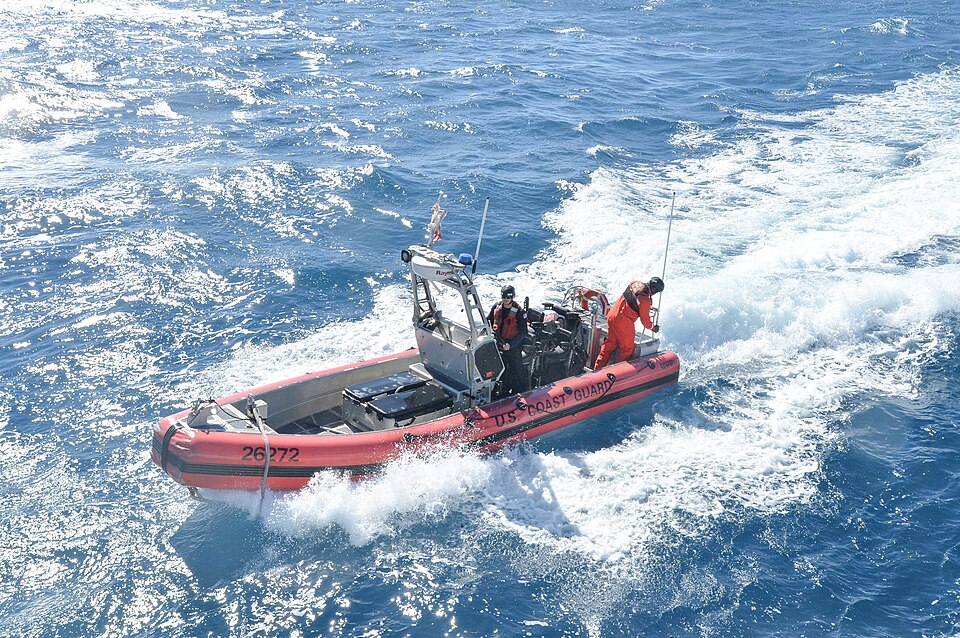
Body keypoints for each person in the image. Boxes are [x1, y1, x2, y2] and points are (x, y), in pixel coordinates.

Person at [593, 277, 664, 369]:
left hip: (612, 315)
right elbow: (645, 322)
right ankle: (617, 373)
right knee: (627, 349)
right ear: (654, 290)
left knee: (610, 344)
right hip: (623, 321)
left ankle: (597, 369)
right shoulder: (645, 300)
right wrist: (653, 328)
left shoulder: (635, 283)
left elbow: (633, 299)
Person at [487, 284, 528, 396]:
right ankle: (500, 390)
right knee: (498, 368)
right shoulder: (497, 306)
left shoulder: (519, 312)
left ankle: (524, 392)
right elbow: (488, 320)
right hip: (498, 341)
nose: (506, 299)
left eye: (508, 297)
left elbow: (523, 332)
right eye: (504, 296)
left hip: (512, 345)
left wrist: (510, 345)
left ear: (512, 297)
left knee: (517, 369)